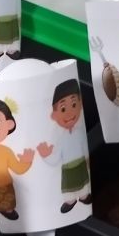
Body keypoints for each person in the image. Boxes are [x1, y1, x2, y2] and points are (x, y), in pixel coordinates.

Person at [39, 80, 91, 212]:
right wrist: (46, 155)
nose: (69, 113)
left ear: (80, 105)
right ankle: (70, 201)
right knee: (69, 187)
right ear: (54, 115)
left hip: (81, 164)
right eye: (63, 109)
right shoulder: (60, 140)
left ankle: (84, 196)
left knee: (83, 183)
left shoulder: (80, 132)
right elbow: (55, 159)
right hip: (68, 169)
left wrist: (87, 160)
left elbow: (84, 148)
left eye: (74, 105)